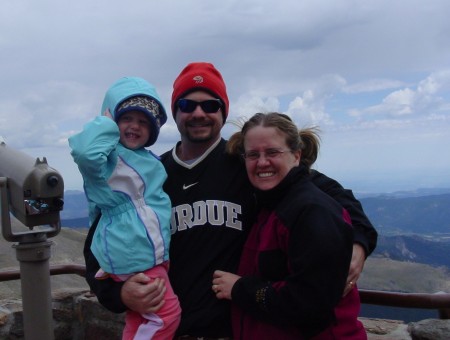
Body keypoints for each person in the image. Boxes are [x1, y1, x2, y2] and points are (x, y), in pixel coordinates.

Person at [83, 62, 377, 339]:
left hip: (234, 331)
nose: (199, 113)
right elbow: (99, 243)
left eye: (210, 105)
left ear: (223, 112)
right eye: (187, 105)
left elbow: (330, 197)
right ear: (175, 113)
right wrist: (118, 295)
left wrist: (359, 243)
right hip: (172, 331)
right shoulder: (148, 176)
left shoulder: (249, 167)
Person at [212, 112, 367, 339]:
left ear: (296, 155)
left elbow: (309, 304)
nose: (262, 162)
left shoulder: (310, 210)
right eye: (253, 154)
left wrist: (239, 289)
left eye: (273, 152)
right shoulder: (269, 203)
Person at [69, 77, 181, 339]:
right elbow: (85, 154)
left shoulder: (146, 159)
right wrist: (105, 125)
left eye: (144, 122)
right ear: (113, 119)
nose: (135, 126)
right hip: (132, 251)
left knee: (142, 316)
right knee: (167, 315)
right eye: (126, 118)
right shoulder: (108, 156)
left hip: (139, 249)